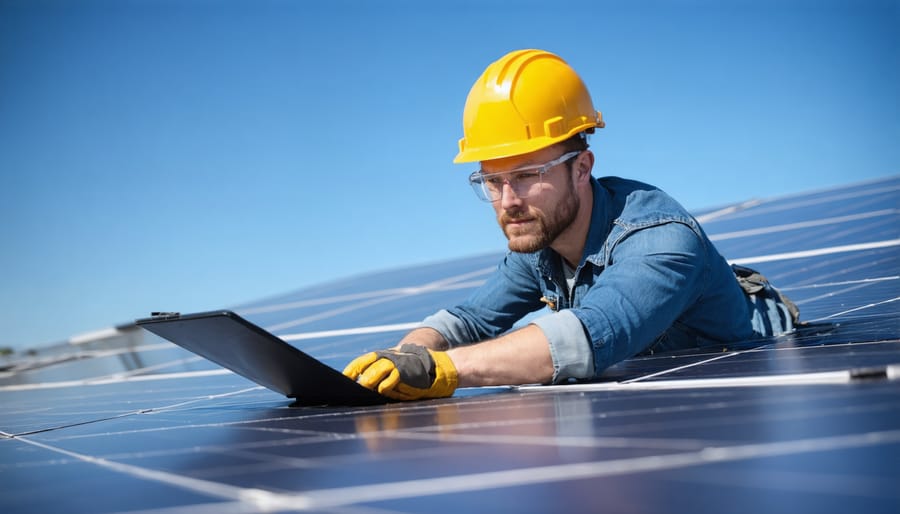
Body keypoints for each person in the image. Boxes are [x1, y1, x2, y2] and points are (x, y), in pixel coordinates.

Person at [343, 49, 798, 401]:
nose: (508, 201)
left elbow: (586, 336)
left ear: (581, 168)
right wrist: (406, 354)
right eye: (492, 181)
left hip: (753, 367)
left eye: (527, 176)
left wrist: (444, 369)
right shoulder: (541, 239)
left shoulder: (660, 241)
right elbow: (468, 320)